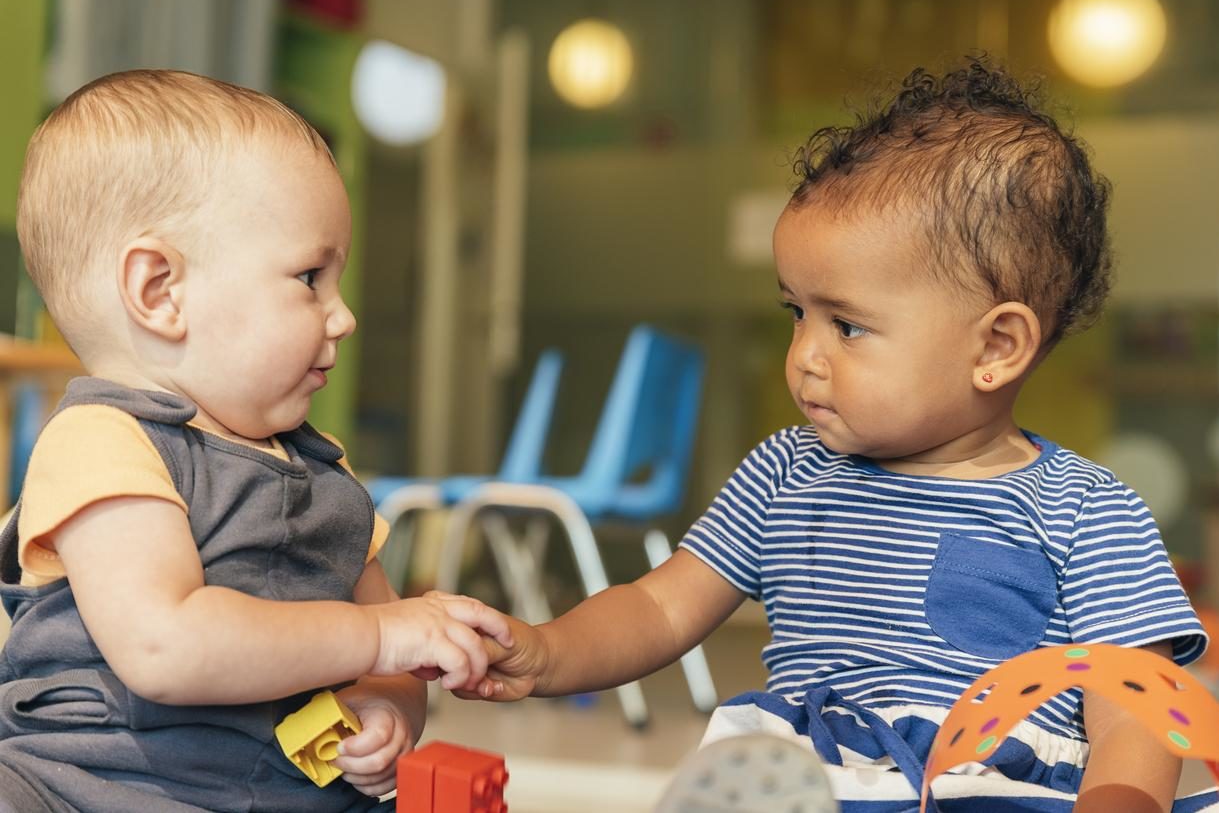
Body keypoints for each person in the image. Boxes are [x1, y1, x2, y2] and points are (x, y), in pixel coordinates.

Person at [471, 60, 1215, 812]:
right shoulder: (784, 472)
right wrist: (550, 649)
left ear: (994, 349)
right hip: (805, 785)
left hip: (991, 790)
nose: (805, 357)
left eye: (847, 325)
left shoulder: (1086, 510)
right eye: (796, 312)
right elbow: (660, 608)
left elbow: (1131, 702)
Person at [0, 69, 511, 813]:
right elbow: (165, 645)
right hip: (86, 790)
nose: (342, 317)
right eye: (310, 277)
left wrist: (387, 706)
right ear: (159, 292)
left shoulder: (324, 474)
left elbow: (391, 653)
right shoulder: (102, 443)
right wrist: (375, 638)